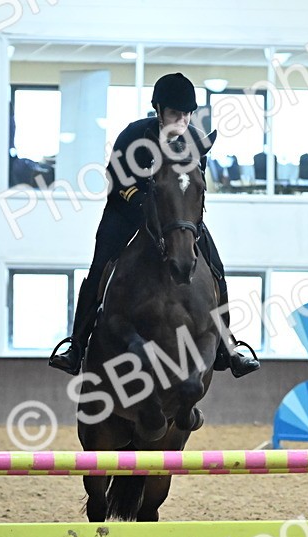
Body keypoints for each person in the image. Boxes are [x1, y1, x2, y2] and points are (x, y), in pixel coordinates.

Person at [48, 72, 260, 378]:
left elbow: (194, 187)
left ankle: (228, 346)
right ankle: (76, 345)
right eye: (175, 113)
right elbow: (116, 180)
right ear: (158, 110)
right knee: (99, 268)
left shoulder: (194, 143)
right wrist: (145, 205)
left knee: (216, 268)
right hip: (126, 213)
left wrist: (186, 217)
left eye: (187, 114)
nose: (181, 121)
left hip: (176, 220)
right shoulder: (134, 137)